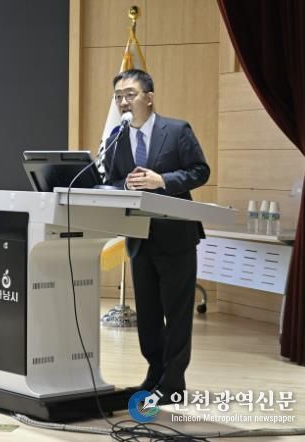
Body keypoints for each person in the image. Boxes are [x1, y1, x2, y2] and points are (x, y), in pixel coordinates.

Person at [102, 69, 210, 403]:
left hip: (176, 236)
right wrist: (125, 184)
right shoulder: (117, 137)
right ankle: (154, 374)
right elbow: (110, 180)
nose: (123, 102)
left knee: (176, 314)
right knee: (148, 316)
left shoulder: (176, 130)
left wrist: (161, 181)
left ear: (149, 97)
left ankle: (173, 383)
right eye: (118, 96)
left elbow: (199, 171)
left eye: (130, 94)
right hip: (139, 238)